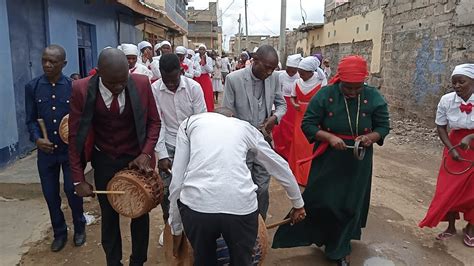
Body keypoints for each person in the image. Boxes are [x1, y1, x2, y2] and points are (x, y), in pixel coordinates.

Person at [272, 55, 390, 266]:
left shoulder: (373, 97)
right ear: (339, 80)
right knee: (324, 201)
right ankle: (321, 236)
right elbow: (308, 124)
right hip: (328, 157)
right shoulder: (326, 95)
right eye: (348, 87)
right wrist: (329, 137)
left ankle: (339, 249)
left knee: (349, 204)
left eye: (357, 87)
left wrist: (369, 138)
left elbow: (383, 127)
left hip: (358, 160)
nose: (353, 92)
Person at [168, 108, 306, 266]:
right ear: (233, 117)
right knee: (242, 260)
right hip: (241, 207)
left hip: (198, 207)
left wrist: (176, 228)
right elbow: (277, 165)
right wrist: (298, 204)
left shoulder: (189, 123)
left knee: (204, 260)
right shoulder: (244, 127)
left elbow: (177, 183)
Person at [69, 48, 161, 266]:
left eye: (123, 81)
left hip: (135, 158)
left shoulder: (140, 84)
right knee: (108, 214)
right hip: (104, 158)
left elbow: (154, 122)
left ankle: (138, 260)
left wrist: (145, 153)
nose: (120, 87)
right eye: (113, 83)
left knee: (140, 211)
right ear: (98, 73)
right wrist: (78, 179)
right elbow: (75, 137)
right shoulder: (81, 89)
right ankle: (113, 261)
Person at [25, 45, 86, 252]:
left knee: (72, 191)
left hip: (69, 152)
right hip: (46, 153)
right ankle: (59, 232)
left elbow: (82, 119)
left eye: (52, 62)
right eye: (44, 60)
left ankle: (79, 227)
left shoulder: (73, 87)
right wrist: (36, 139)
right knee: (51, 195)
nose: (47, 65)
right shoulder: (32, 87)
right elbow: (30, 120)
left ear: (64, 64)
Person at [223, 45, 287, 219]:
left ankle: (260, 225)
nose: (269, 72)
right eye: (267, 68)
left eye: (273, 69)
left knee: (263, 188)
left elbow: (282, 105)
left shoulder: (274, 78)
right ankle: (242, 224)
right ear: (255, 60)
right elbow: (227, 111)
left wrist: (275, 118)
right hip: (240, 144)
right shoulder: (233, 79)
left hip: (263, 140)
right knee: (242, 187)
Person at [151, 53, 207, 246]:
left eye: (174, 80)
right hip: (168, 142)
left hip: (193, 142)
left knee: (193, 187)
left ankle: (192, 227)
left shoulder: (194, 88)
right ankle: (170, 226)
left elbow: (201, 122)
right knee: (167, 191)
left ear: (181, 72)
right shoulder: (155, 90)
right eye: (166, 81)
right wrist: (162, 154)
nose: (171, 85)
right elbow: (157, 123)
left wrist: (198, 152)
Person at [419, 64, 474, 248]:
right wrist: (451, 149)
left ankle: (471, 228)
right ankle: (450, 226)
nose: (457, 86)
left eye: (461, 82)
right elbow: (441, 127)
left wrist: (471, 135)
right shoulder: (446, 100)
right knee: (447, 189)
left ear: (472, 82)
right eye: (454, 83)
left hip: (472, 143)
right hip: (454, 146)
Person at [288, 56, 327, 186]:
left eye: (303, 73)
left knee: (311, 146)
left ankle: (310, 175)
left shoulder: (321, 82)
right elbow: (293, 97)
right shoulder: (297, 83)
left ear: (311, 72)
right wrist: (294, 104)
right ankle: (298, 175)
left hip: (315, 118)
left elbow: (326, 101)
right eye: (300, 73)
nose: (300, 75)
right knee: (299, 145)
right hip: (300, 117)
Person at [272, 54, 302, 160]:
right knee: (278, 129)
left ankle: (289, 153)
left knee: (291, 130)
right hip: (281, 104)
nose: (291, 73)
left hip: (293, 106)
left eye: (293, 70)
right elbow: (276, 92)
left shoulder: (299, 77)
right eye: (289, 70)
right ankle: (279, 151)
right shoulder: (280, 76)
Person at [193, 44, 214, 112]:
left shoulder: (209, 59)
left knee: (207, 95)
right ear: (198, 50)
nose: (201, 51)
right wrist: (198, 64)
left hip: (205, 78)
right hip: (197, 78)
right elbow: (193, 67)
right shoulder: (195, 58)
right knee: (196, 95)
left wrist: (205, 64)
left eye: (203, 49)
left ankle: (208, 110)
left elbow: (210, 70)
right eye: (200, 49)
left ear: (205, 50)